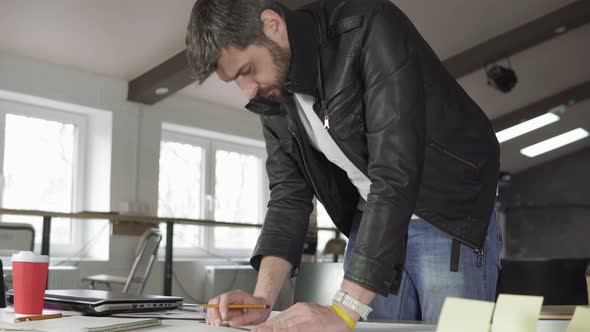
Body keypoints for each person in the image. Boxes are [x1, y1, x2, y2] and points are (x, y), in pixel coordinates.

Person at [185, 0, 501, 330]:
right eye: (235, 79)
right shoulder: (272, 93)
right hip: (373, 219)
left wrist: (343, 309)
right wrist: (263, 299)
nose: (247, 91)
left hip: (447, 211)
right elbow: (289, 195)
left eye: (247, 70)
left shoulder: (369, 26)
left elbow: (395, 169)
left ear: (272, 24)